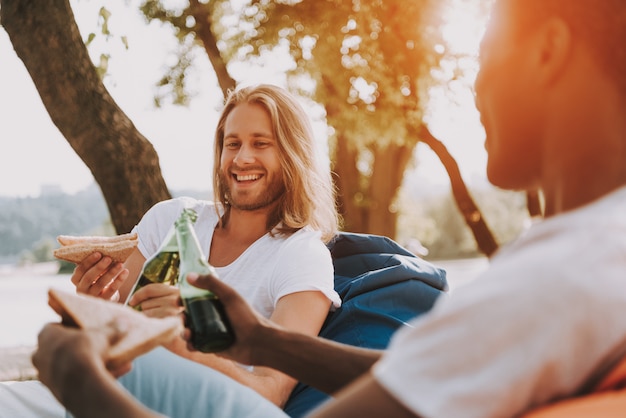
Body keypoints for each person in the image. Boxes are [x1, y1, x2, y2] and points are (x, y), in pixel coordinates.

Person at [20, 0, 626, 416]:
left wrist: (82, 382)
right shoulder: (596, 254)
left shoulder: (554, 282)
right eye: (233, 142)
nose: (473, 83)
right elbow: (411, 374)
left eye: (487, 51)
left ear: (547, 51)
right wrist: (265, 342)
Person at [67, 84, 342, 408]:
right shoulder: (170, 219)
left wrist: (183, 341)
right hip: (107, 397)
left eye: (261, 143)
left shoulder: (301, 256)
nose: (242, 158)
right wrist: (94, 302)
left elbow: (271, 395)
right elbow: (111, 327)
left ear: (292, 153)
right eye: (232, 144)